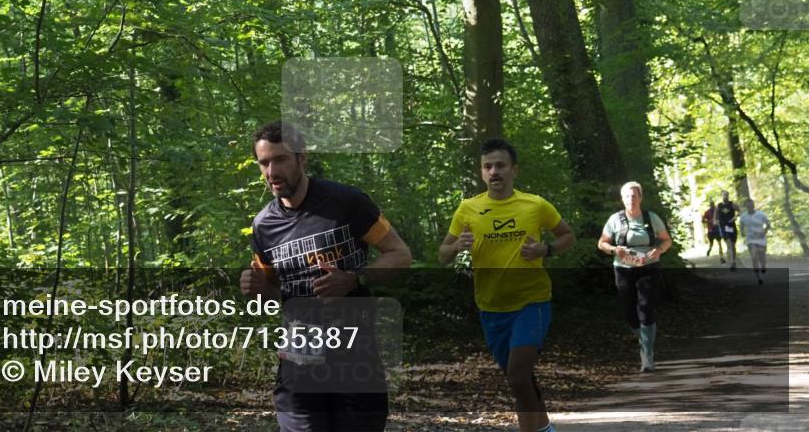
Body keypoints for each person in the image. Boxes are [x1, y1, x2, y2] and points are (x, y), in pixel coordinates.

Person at [239, 120, 412, 432]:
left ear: (301, 158)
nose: (271, 172)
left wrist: (353, 278)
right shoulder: (263, 226)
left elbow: (400, 255)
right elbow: (273, 295)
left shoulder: (346, 202)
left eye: (280, 159)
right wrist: (255, 288)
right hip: (298, 361)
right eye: (264, 163)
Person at [439, 138, 575, 432]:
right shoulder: (468, 209)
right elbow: (442, 255)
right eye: (488, 167)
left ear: (514, 170)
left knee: (516, 376)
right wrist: (456, 247)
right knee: (522, 380)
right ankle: (545, 428)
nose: (494, 172)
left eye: (500, 166)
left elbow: (567, 236)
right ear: (481, 173)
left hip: (532, 302)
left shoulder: (535, 205)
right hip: (491, 306)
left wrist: (546, 249)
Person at [597, 182, 673, 372]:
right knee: (630, 313)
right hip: (623, 269)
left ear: (640, 198)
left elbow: (666, 240)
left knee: (645, 308)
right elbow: (602, 243)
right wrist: (615, 249)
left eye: (635, 196)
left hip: (648, 268)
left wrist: (659, 250)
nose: (631, 199)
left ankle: (647, 355)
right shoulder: (615, 219)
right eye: (628, 196)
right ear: (622, 199)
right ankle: (643, 340)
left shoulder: (651, 218)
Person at [739, 199, 771, 285]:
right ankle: (759, 278)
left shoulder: (761, 214)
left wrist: (764, 232)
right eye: (748, 206)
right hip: (750, 239)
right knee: (754, 257)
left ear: (754, 206)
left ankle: (763, 266)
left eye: (752, 206)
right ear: (746, 207)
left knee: (762, 256)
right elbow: (741, 225)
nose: (750, 208)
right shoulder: (743, 216)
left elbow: (768, 224)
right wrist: (742, 232)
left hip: (761, 238)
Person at [716, 191, 739, 270]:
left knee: (732, 245)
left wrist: (734, 218)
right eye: (723, 195)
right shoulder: (718, 206)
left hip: (731, 226)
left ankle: (733, 261)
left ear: (728, 196)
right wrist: (716, 221)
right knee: (729, 244)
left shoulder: (732, 204)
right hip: (723, 227)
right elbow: (715, 217)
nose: (725, 197)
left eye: (726, 195)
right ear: (721, 196)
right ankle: (732, 262)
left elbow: (740, 211)